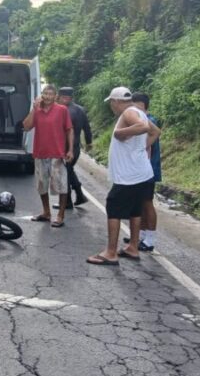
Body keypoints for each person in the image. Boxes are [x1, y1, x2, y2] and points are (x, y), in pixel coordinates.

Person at [87, 86, 159, 266]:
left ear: (116, 102)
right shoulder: (138, 111)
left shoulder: (128, 113)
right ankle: (133, 247)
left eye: (112, 103)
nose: (112, 107)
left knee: (113, 208)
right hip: (140, 173)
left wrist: (120, 133)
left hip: (128, 175)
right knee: (135, 210)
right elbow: (155, 132)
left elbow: (143, 127)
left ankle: (111, 252)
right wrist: (141, 149)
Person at [22, 84, 74, 228]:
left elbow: (69, 130)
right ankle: (46, 212)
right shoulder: (37, 111)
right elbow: (26, 126)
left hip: (57, 154)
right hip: (40, 153)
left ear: (55, 96)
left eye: (51, 94)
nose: (47, 96)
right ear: (41, 95)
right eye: (45, 93)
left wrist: (70, 150)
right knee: (41, 185)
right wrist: (34, 108)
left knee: (62, 186)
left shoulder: (62, 110)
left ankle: (60, 215)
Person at [130, 92, 162, 252]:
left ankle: (150, 239)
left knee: (147, 203)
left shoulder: (150, 122)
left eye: (136, 106)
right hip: (140, 169)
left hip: (148, 169)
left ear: (143, 106)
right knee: (140, 202)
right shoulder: (141, 120)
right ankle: (140, 234)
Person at [56, 87, 93, 210]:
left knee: (65, 173)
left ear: (62, 97)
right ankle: (79, 195)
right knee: (69, 170)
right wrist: (89, 143)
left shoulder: (63, 111)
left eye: (59, 97)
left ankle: (67, 202)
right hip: (76, 148)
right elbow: (87, 129)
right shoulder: (80, 110)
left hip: (66, 148)